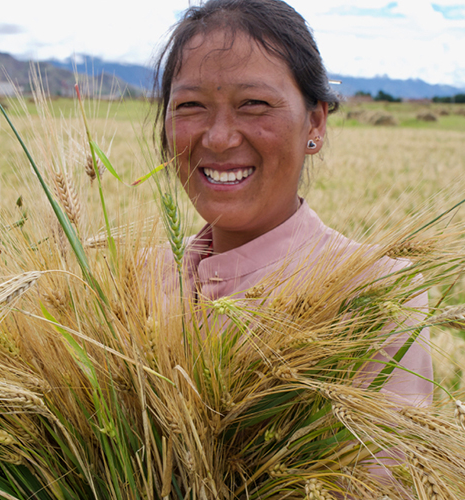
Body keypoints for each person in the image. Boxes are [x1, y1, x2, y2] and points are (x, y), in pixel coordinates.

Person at [154, 0, 433, 407]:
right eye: (191, 106)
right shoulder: (127, 282)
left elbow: (389, 469)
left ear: (315, 123)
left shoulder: (374, 293)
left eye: (254, 104)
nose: (217, 138)